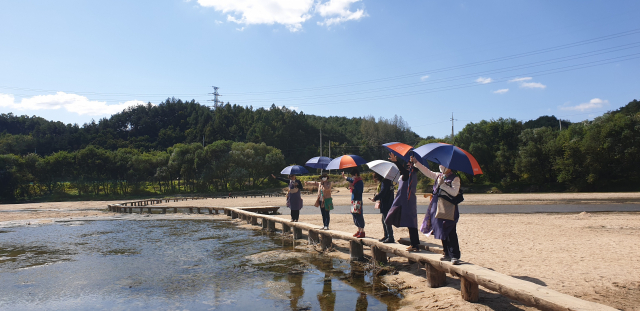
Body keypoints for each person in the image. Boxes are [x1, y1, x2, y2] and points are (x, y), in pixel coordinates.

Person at [410, 156, 462, 265]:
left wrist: (443, 185)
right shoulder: (439, 176)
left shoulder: (455, 178)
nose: (440, 166)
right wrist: (416, 163)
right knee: (442, 230)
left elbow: (454, 193)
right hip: (437, 207)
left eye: (443, 165)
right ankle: (447, 253)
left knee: (450, 231)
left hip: (448, 208)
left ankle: (455, 256)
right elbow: (427, 172)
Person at [385, 153, 420, 251]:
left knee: (410, 223)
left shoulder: (409, 174)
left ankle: (415, 245)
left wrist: (396, 162)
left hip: (405, 201)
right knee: (412, 224)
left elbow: (404, 172)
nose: (408, 164)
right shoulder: (412, 175)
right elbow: (403, 173)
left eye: (410, 163)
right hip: (409, 201)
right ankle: (415, 244)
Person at [369, 172, 395, 243]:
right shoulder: (390, 181)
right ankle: (387, 236)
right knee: (384, 220)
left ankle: (390, 237)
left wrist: (375, 198)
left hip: (386, 203)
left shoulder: (385, 182)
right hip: (390, 202)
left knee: (386, 221)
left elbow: (383, 192)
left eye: (376, 178)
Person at [342, 168, 365, 238]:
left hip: (358, 200)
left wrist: (353, 188)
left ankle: (362, 231)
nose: (352, 177)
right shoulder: (355, 180)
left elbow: (360, 191)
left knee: (358, 215)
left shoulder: (360, 182)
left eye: (353, 175)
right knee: (354, 215)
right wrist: (344, 176)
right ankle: (359, 230)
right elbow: (349, 179)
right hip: (354, 200)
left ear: (356, 174)